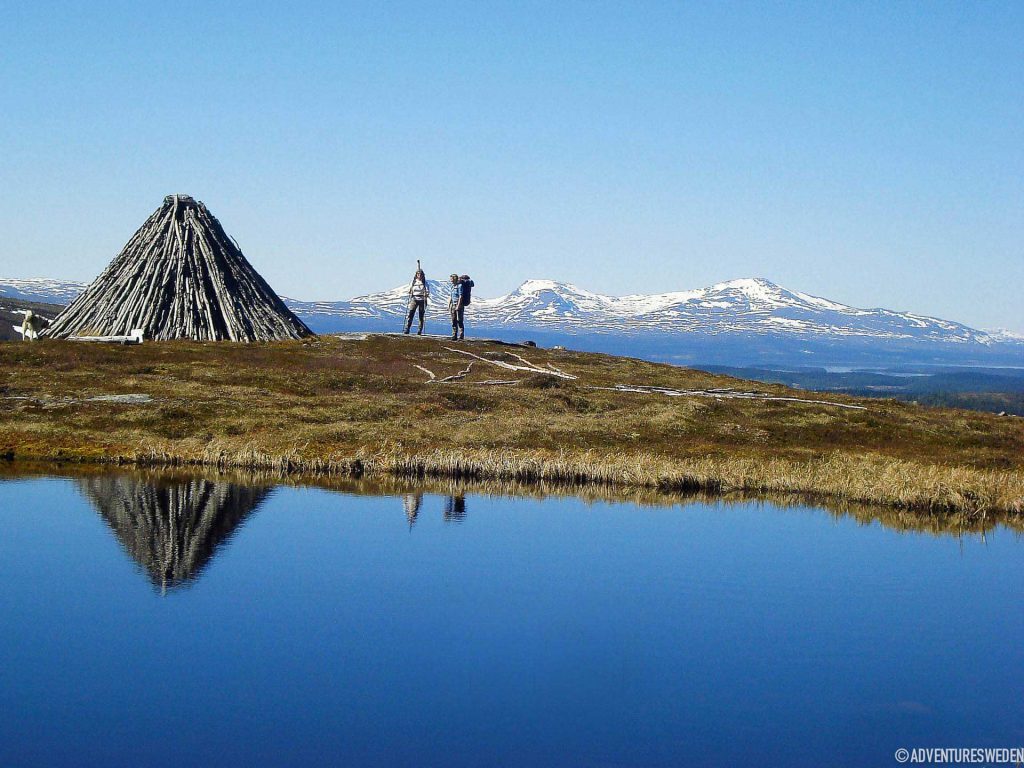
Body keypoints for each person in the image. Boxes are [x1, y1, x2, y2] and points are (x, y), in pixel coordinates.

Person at [403, 266, 430, 335]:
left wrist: (426, 293)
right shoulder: (413, 282)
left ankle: (419, 330)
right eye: (418, 274)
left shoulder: (425, 283)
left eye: (420, 274)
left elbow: (427, 291)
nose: (419, 275)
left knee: (421, 315)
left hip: (422, 299)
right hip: (414, 299)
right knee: (411, 313)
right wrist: (410, 291)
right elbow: (410, 289)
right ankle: (407, 328)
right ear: (416, 275)